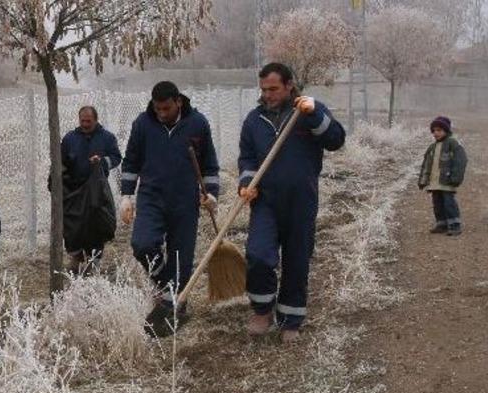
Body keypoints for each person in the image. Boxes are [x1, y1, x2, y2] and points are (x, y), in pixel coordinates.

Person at [237, 62, 346, 344]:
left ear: (289, 85)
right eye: (264, 89)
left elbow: (336, 140)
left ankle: (291, 318)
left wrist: (316, 114)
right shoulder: (253, 120)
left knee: (297, 260)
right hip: (266, 202)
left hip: (301, 201)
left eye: (274, 89)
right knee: (258, 255)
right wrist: (246, 183)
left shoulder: (307, 112)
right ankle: (262, 310)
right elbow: (248, 158)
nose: (268, 94)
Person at [120, 81, 220, 337]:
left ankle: (176, 306)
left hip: (185, 200)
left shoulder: (197, 124)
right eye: (157, 108)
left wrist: (211, 195)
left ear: (178, 101)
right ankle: (167, 289)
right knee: (142, 245)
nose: (161, 113)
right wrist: (127, 196)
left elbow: (209, 165)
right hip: (151, 197)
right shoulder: (143, 124)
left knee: (180, 258)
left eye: (166, 108)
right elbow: (131, 160)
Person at [58, 106, 122, 273]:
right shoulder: (69, 138)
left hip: (97, 190)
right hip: (73, 190)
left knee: (95, 224)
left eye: (89, 121)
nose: (85, 124)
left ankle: (94, 260)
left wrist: (102, 162)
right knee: (72, 226)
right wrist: (57, 178)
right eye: (82, 121)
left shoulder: (107, 138)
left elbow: (116, 157)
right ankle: (76, 256)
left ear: (96, 120)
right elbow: (60, 161)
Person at [418, 116, 468, 236]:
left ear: (446, 130)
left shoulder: (452, 144)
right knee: (437, 203)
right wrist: (423, 180)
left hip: (447, 181)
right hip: (434, 182)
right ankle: (441, 223)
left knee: (448, 202)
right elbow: (426, 165)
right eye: (434, 131)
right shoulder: (432, 147)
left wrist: (456, 178)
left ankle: (454, 224)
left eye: (439, 130)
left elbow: (460, 161)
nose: (436, 133)